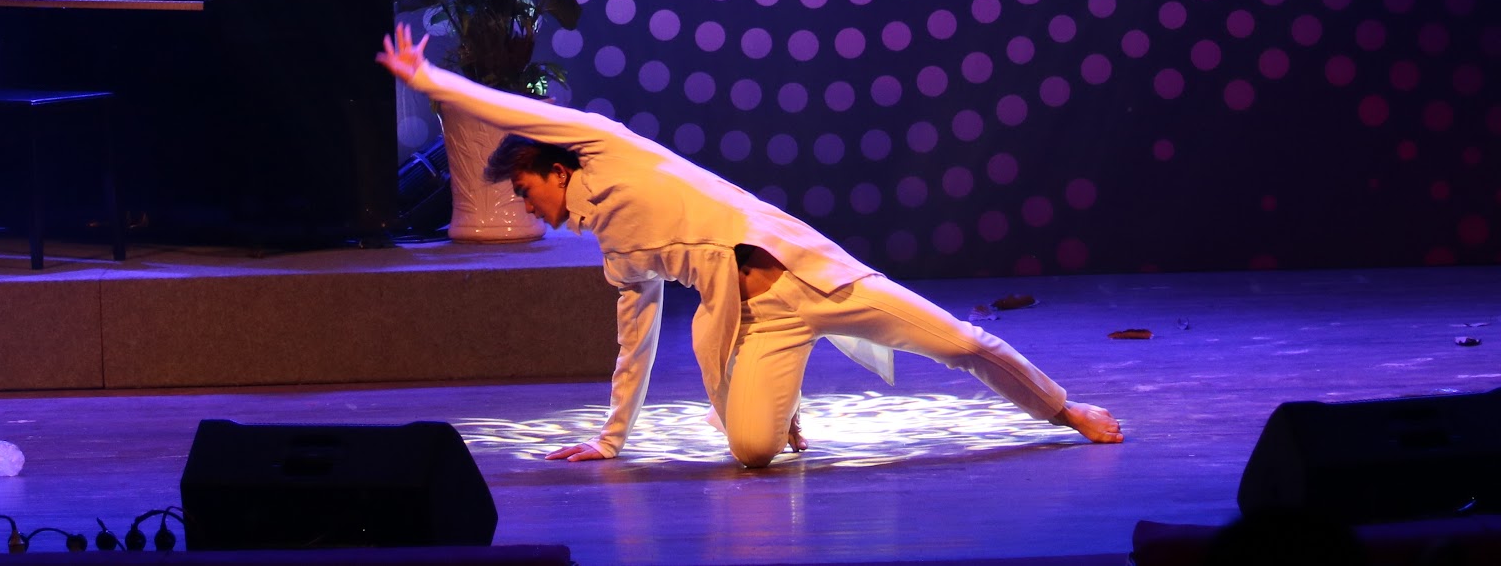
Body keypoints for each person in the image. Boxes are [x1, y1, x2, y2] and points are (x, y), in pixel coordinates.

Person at [378, 27, 1123, 467]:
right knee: (753, 454)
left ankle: (1064, 411)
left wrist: (432, 78)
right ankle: (780, 405)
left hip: (813, 275)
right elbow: (634, 340)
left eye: (526, 190)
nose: (529, 207)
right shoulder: (616, 252)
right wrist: (610, 439)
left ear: (556, 169)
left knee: (961, 342)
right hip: (762, 322)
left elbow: (521, 110)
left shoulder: (609, 149)